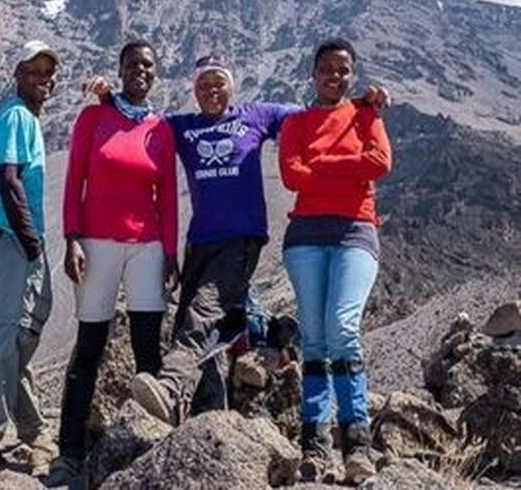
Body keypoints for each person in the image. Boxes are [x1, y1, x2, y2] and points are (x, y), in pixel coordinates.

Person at [84, 56, 388, 427]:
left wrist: (361, 102)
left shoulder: (257, 116)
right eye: (203, 84)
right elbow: (138, 126)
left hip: (242, 237)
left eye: (219, 82)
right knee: (195, 323)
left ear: (232, 85)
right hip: (200, 241)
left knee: (204, 312)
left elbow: (319, 112)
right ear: (194, 91)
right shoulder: (181, 127)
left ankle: (169, 386)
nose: (212, 90)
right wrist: (107, 101)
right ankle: (207, 415)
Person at [47, 40, 178, 488]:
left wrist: (170, 253)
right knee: (89, 347)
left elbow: (168, 200)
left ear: (155, 74)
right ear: (120, 70)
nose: (141, 71)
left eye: (148, 65)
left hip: (147, 247)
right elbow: (74, 182)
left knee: (147, 351)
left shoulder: (161, 129)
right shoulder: (94, 117)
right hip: (97, 243)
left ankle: (152, 446)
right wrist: (72, 239)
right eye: (133, 64)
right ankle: (68, 451)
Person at [278, 38, 392, 484]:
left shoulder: (367, 114)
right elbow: (291, 175)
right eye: (326, 68)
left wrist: (320, 163)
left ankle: (357, 443)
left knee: (343, 329)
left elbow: (380, 162)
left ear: (353, 75)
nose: (335, 76)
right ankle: (314, 443)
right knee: (315, 339)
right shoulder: (296, 123)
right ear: (313, 73)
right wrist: (349, 164)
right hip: (304, 236)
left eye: (343, 70)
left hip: (356, 233)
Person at [0, 41, 60, 475]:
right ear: (18, 73)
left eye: (48, 72)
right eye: (34, 70)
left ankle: (32, 429)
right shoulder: (17, 115)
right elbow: (9, 180)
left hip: (18, 238)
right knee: (5, 336)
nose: (43, 78)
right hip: (12, 238)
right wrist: (31, 241)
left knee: (20, 337)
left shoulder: (24, 117)